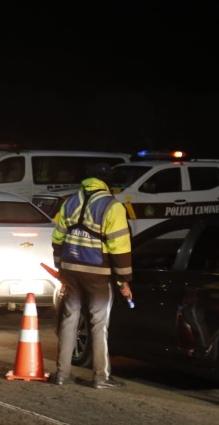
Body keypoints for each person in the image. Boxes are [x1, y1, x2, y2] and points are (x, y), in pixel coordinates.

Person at [51, 163, 133, 389]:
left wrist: (61, 270)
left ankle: (61, 374)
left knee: (69, 320)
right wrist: (123, 280)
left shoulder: (69, 202)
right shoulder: (112, 207)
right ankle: (100, 377)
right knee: (98, 324)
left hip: (70, 269)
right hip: (98, 272)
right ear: (107, 182)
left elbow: (57, 238)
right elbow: (119, 246)